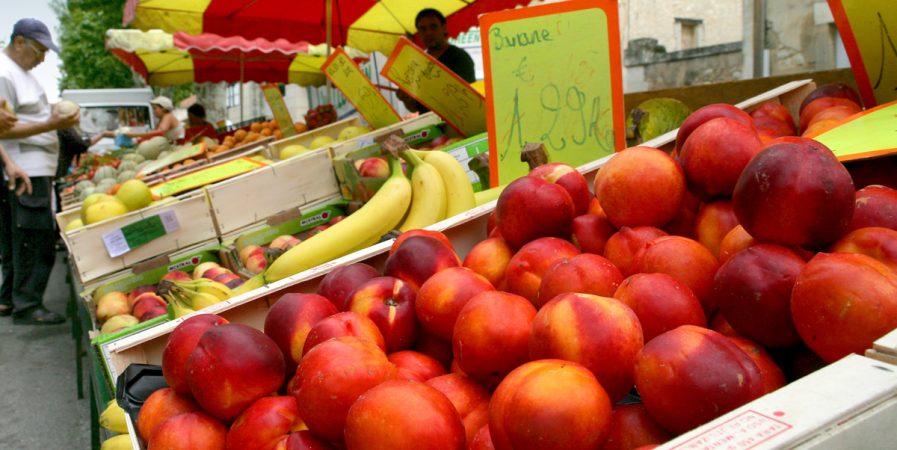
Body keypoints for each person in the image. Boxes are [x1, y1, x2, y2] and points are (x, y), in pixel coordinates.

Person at [0, 18, 79, 324]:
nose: (43, 57)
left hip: (32, 168)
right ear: (19, 42)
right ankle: (27, 305)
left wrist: (56, 113)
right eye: (38, 50)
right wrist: (52, 125)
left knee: (17, 238)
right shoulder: (5, 73)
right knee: (35, 238)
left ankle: (9, 298)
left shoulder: (20, 73)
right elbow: (4, 128)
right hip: (25, 169)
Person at [397, 8, 476, 114]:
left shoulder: (460, 57)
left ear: (444, 28)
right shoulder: (418, 64)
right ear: (419, 33)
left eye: (433, 26)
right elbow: (415, 108)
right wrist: (406, 98)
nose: (429, 32)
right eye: (423, 29)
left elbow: (469, 99)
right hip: (431, 127)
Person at [101, 95, 180, 143]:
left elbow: (159, 133)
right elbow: (153, 135)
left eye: (155, 109)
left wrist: (134, 135)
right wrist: (138, 140)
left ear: (163, 108)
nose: (153, 111)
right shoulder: (161, 120)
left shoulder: (167, 116)